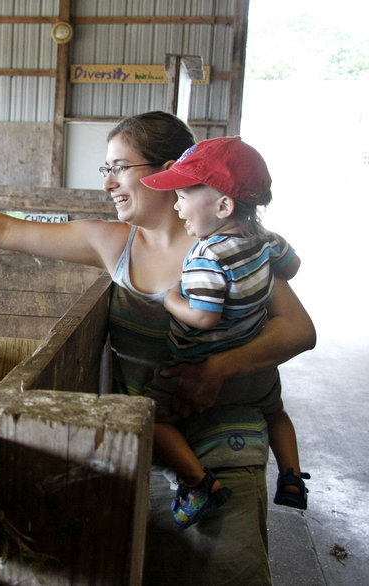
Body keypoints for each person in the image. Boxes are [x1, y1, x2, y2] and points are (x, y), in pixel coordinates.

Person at [0, 111, 316, 585]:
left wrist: (216, 368)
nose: (108, 183)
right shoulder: (112, 242)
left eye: (119, 167)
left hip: (227, 442)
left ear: (168, 169)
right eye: (104, 170)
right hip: (147, 444)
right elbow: (2, 231)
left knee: (226, 573)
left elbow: (298, 329)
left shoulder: (235, 247)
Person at [138, 136, 310, 531]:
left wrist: (171, 300)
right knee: (276, 412)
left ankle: (199, 485)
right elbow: (294, 266)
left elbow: (204, 318)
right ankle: (291, 476)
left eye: (182, 196)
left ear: (223, 206)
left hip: (195, 367)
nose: (177, 205)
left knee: (151, 419)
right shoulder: (267, 240)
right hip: (254, 370)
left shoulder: (205, 255)